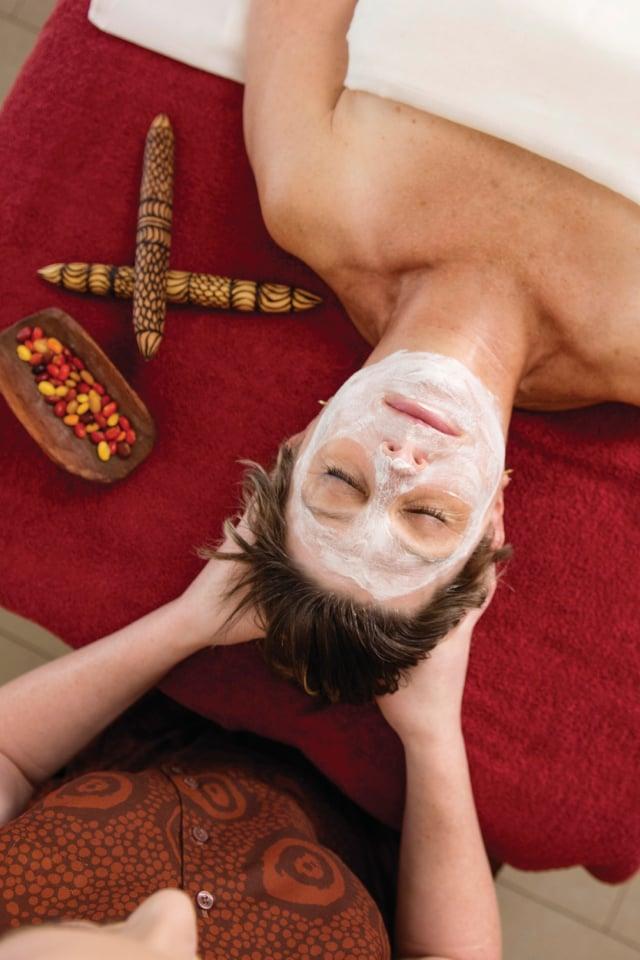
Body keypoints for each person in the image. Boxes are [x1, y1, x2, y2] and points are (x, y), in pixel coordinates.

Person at [189, 0, 640, 704]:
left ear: (305, 438)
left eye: (341, 482)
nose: (399, 467)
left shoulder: (308, 196)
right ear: (491, 521)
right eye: (427, 518)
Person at [0, 537, 501, 960]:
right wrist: (431, 730)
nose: (169, 909)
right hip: (389, 806)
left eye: (99, 927)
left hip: (161, 703)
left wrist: (190, 622)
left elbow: (10, 753)